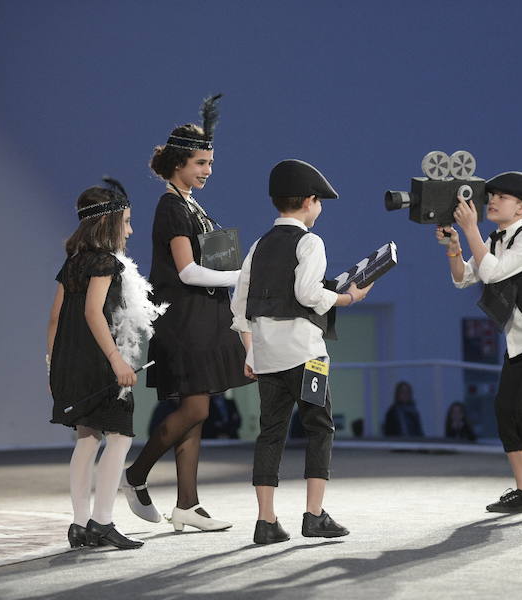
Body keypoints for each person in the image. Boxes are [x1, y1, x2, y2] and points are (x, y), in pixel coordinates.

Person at [120, 95, 253, 532]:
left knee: (197, 409)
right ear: (178, 162)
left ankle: (187, 505)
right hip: (185, 321)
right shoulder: (172, 206)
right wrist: (240, 274)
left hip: (202, 318)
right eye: (201, 163)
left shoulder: (191, 204)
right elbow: (188, 270)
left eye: (211, 163)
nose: (208, 171)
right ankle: (136, 474)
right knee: (195, 411)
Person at [231, 159, 373, 544]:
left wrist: (250, 354)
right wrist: (347, 297)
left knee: (270, 433)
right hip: (308, 356)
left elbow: (240, 307)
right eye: (320, 201)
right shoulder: (310, 242)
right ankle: (314, 516)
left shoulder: (259, 246)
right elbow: (308, 294)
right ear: (309, 201)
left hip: (267, 357)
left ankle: (266, 521)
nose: (321, 208)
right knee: (319, 428)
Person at [437, 171, 522, 513]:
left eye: (503, 197)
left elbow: (493, 273)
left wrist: (470, 230)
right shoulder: (494, 240)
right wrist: (455, 248)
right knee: (504, 410)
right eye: (492, 194)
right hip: (519, 341)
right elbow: (463, 279)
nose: (492, 200)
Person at [48, 178, 165, 549]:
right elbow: (93, 312)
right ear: (108, 223)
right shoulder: (105, 262)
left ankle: (80, 524)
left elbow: (54, 319)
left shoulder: (73, 263)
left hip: (69, 362)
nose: (130, 230)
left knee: (86, 439)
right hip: (100, 362)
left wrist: (53, 364)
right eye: (126, 222)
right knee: (119, 437)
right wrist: (117, 360)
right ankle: (102, 521)